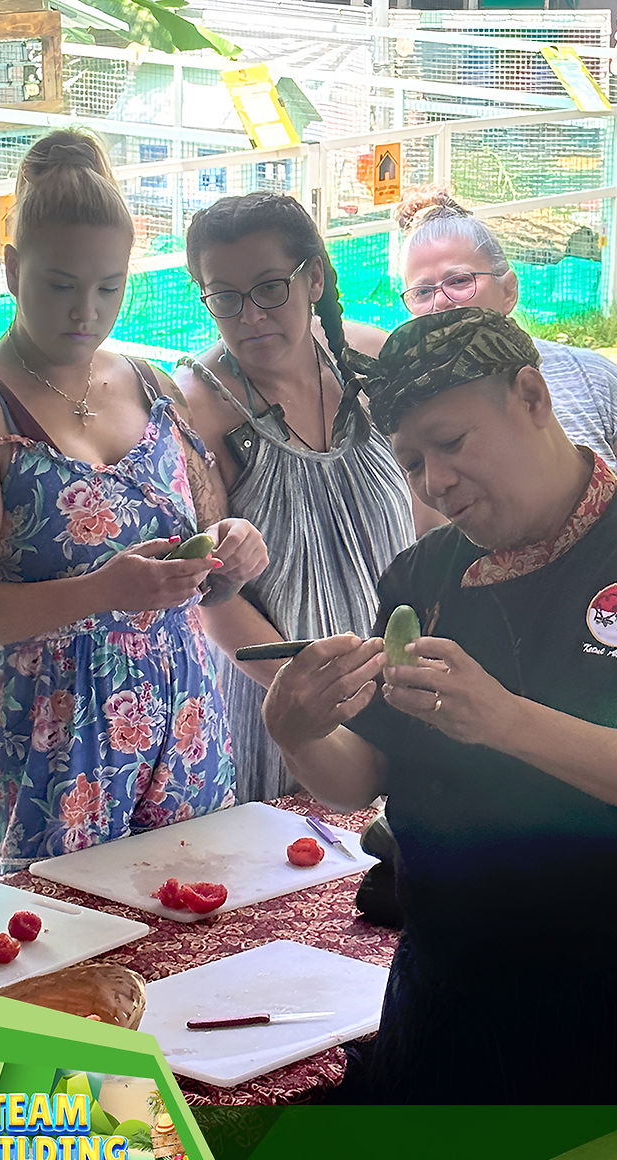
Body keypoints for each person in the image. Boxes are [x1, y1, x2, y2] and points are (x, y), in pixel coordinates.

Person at [262, 307, 617, 1105]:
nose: (436, 481)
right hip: (443, 991)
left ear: (531, 397)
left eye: (452, 443)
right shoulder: (421, 576)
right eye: (412, 461)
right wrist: (297, 731)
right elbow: (362, 776)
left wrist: (504, 719)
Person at [0, 131, 267, 880]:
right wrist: (103, 591)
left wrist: (231, 546)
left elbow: (199, 541)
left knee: (200, 941)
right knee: (60, 967)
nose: (87, 311)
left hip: (186, 719)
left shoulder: (150, 383)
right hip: (54, 739)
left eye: (109, 286)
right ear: (12, 270)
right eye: (61, 284)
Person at [175, 191, 443, 803]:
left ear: (314, 277)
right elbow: (211, 597)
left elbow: (427, 518)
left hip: (399, 685)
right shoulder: (198, 407)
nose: (249, 316)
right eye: (225, 297)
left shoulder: (370, 361)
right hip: (275, 708)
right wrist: (313, 694)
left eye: (271, 287)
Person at [397, 187, 617, 502]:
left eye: (459, 282)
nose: (441, 302)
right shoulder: (406, 414)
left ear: (508, 290)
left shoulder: (593, 379)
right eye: (423, 292)